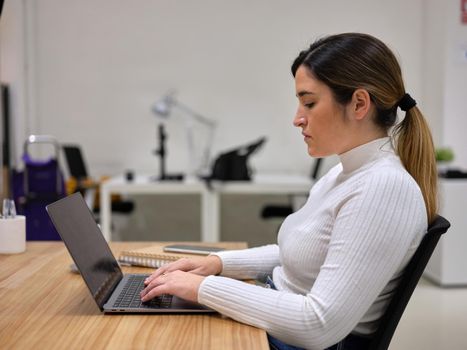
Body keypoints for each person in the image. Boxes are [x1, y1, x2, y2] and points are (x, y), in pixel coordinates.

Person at [141, 33, 438, 350]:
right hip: (276, 323)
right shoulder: (344, 173)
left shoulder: (382, 188)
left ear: (359, 104)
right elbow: (298, 255)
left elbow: (317, 325)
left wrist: (204, 288)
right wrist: (217, 264)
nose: (297, 118)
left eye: (309, 103)